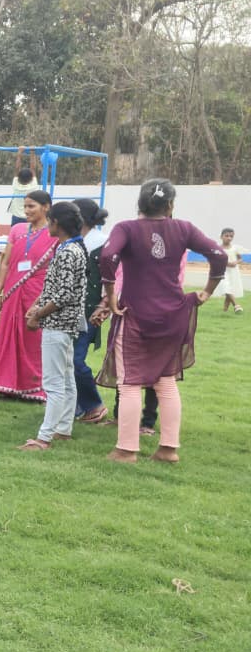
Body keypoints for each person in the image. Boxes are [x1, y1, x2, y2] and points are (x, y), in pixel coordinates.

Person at [97, 179, 226, 464]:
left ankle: (126, 450)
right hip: (173, 314)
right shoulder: (184, 228)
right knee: (165, 382)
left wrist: (110, 295)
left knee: (129, 382)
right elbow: (218, 254)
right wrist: (207, 292)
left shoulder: (126, 228)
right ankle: (168, 449)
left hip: (136, 315)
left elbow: (107, 255)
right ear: (170, 205)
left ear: (139, 203)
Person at [18, 202, 88, 451]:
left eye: (49, 221)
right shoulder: (71, 248)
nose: (47, 225)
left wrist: (38, 314)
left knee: (54, 384)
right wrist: (36, 306)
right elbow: (55, 288)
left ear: (56, 223)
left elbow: (64, 294)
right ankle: (63, 429)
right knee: (67, 380)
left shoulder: (69, 252)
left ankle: (44, 438)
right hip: (65, 325)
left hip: (58, 325)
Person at [0, 189, 58, 400]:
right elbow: (6, 262)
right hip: (13, 290)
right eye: (25, 206)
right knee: (9, 336)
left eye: (31, 206)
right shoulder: (17, 230)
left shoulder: (53, 233)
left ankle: (35, 386)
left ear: (46, 207)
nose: (26, 211)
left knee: (33, 338)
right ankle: (6, 383)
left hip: (37, 291)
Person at [72, 199, 110, 423]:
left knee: (76, 361)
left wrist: (103, 306)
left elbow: (110, 278)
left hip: (89, 313)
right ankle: (77, 405)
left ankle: (94, 405)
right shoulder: (72, 242)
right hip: (68, 312)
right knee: (67, 360)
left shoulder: (103, 244)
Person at [9, 147, 41, 227]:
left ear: (18, 178)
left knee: (16, 237)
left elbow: (17, 169)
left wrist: (19, 153)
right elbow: (33, 168)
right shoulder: (32, 186)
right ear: (31, 179)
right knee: (30, 237)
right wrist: (32, 152)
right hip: (29, 216)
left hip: (16, 217)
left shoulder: (16, 184)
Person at [215, 228, 244, 313]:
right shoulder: (218, 248)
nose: (229, 238)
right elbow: (217, 259)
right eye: (226, 236)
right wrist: (227, 264)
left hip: (233, 272)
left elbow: (240, 259)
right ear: (221, 237)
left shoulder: (234, 248)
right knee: (225, 287)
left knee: (230, 289)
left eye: (231, 236)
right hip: (222, 271)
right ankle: (236, 305)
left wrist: (236, 262)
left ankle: (225, 311)